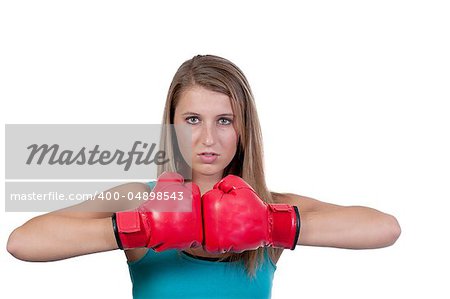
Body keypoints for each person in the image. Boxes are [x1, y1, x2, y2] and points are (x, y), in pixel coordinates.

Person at [6, 54, 401, 298]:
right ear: (173, 124)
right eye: (193, 119)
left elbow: (384, 228)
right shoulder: (139, 200)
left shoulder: (271, 205)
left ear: (243, 128)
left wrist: (267, 223)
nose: (208, 138)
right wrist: (138, 228)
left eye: (224, 120)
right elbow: (22, 241)